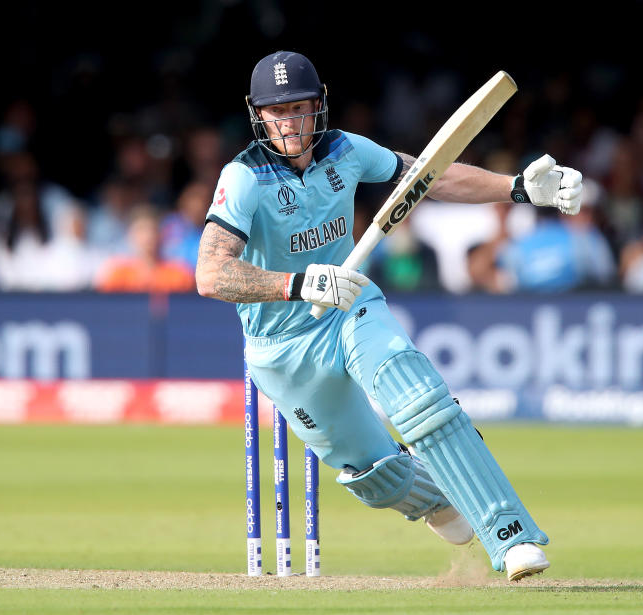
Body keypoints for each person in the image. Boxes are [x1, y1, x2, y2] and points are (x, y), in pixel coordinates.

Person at [195, 51, 583, 581]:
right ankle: (441, 495)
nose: (290, 122)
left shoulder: (346, 150)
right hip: (281, 350)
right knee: (374, 477)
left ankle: (511, 535)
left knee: (414, 392)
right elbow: (211, 274)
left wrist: (516, 188)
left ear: (318, 106)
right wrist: (297, 284)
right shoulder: (243, 177)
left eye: (300, 108)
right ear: (258, 115)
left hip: (347, 306)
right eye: (277, 111)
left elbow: (427, 179)